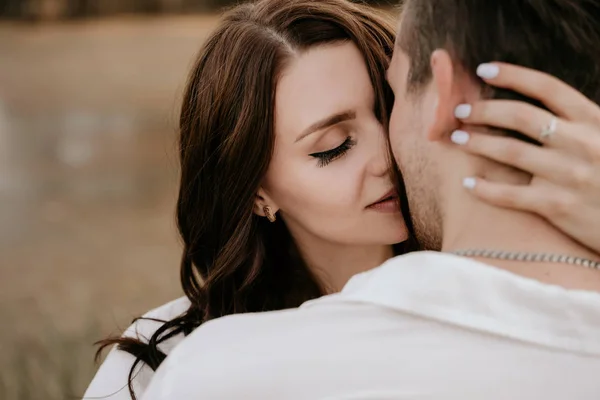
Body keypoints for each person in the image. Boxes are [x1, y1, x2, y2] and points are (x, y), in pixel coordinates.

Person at [140, 0, 600, 399]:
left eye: (390, 105)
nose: (388, 156)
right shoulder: (172, 361)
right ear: (255, 191)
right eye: (334, 146)